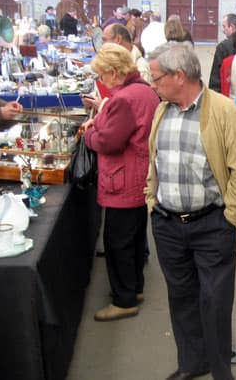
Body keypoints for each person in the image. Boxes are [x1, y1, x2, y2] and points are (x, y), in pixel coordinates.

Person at [145, 41, 236, 380]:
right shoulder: (162, 110)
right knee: (181, 298)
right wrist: (153, 203)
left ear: (179, 76)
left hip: (212, 225)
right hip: (168, 224)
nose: (152, 85)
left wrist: (229, 220)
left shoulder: (224, 113)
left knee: (215, 302)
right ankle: (192, 364)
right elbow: (155, 162)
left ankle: (221, 371)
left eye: (156, 78)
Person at [82, 43, 159, 322]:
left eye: (102, 75)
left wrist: (88, 135)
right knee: (134, 239)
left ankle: (124, 299)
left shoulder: (124, 98)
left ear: (114, 72)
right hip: (138, 175)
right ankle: (133, 288)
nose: (102, 81)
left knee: (118, 243)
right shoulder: (144, 91)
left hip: (122, 179)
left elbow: (108, 142)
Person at [209, 13, 236, 92]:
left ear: (232, 27)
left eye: (224, 26)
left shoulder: (223, 47)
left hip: (228, 94)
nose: (223, 30)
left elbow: (216, 79)